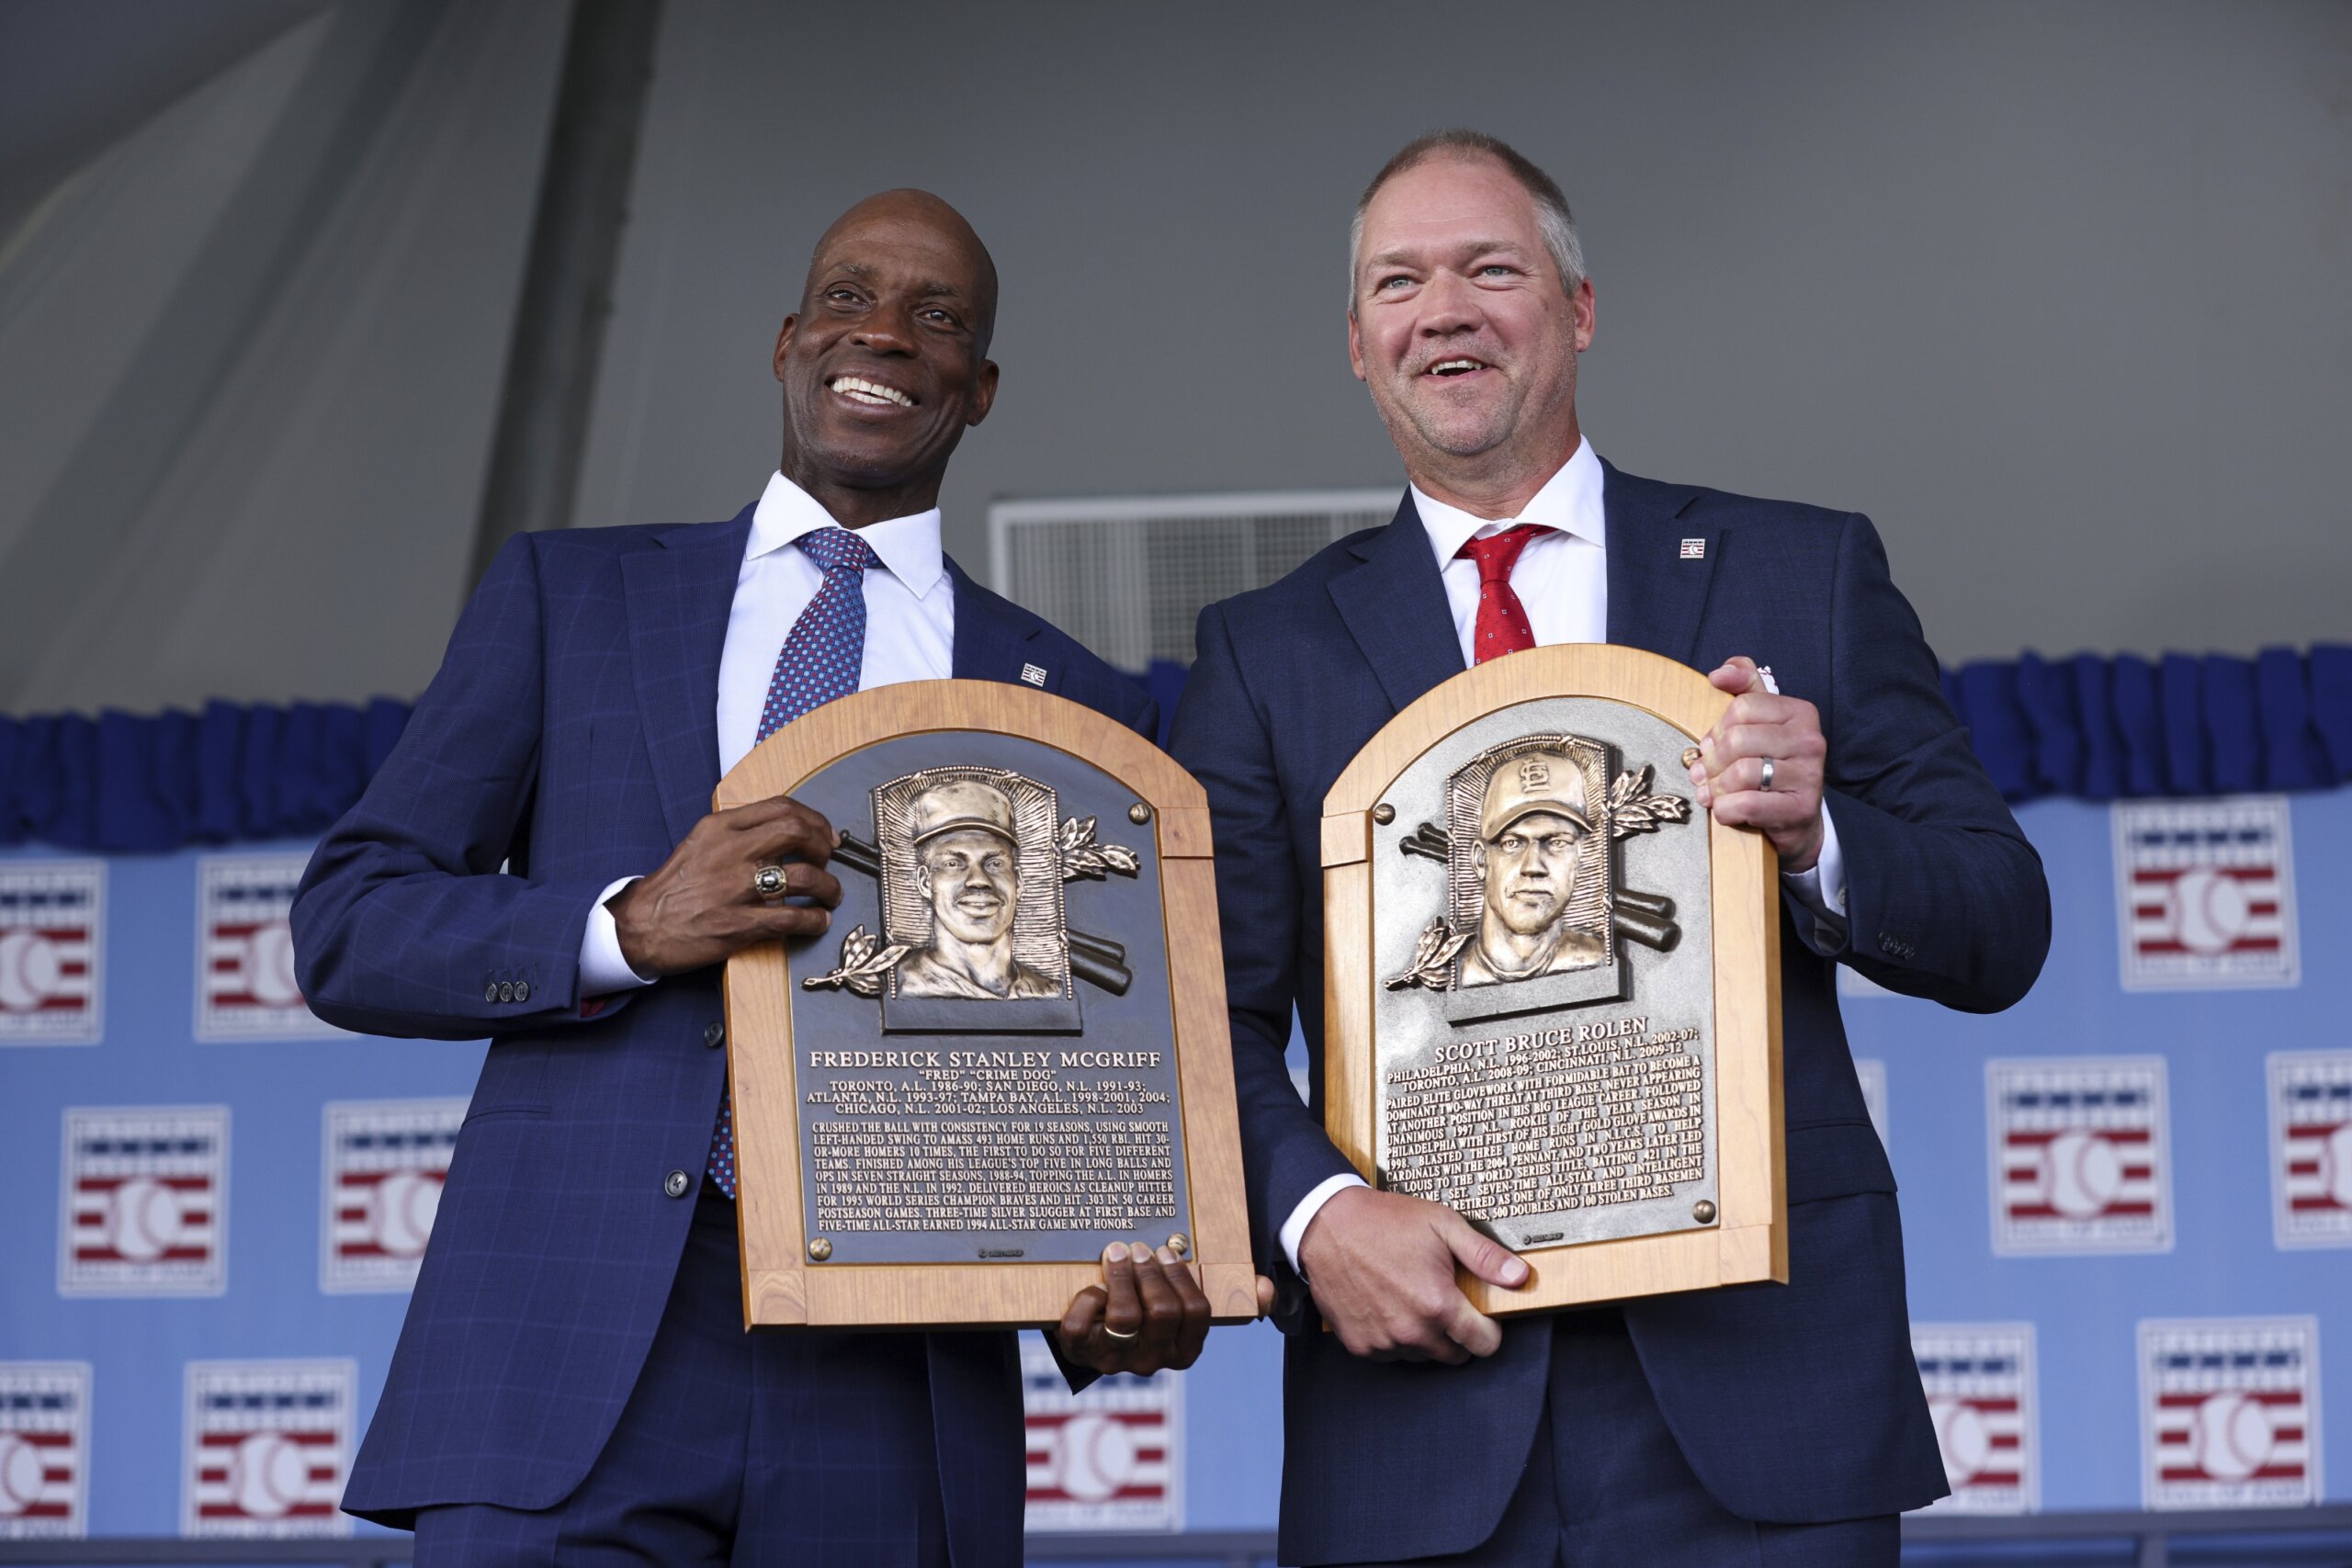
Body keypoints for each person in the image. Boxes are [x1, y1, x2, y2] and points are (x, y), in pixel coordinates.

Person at [295, 189, 1240, 1565]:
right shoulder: (574, 596)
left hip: (896, 1379)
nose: (884, 336)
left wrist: (1100, 1286)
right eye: (849, 298)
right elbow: (349, 923)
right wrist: (626, 924)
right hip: (572, 1354)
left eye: (937, 318)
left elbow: (1090, 1066)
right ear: (790, 340)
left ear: (979, 388)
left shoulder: (1072, 709)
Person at [1169, 131, 2050, 1566]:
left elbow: (2003, 921)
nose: (1440, 309)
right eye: (1399, 281)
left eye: (1488, 269)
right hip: (1420, 1424)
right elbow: (1205, 1017)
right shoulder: (1264, 653)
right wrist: (1317, 1214)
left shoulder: (1797, 569)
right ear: (1355, 343)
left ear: (1578, 308)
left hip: (1764, 1402)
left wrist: (1821, 830)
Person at [898, 776, 1059, 999]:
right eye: (953, 864)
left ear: (1019, 881)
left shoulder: (1050, 993)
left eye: (995, 863)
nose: (978, 880)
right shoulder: (900, 986)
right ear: (926, 883)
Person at [1460, 749, 1603, 986]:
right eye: (1512, 843)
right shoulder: (1443, 974)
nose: (1533, 866)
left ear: (1579, 857)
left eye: (1557, 842)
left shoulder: (1598, 958)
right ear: (1480, 860)